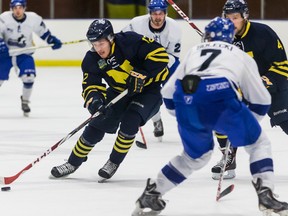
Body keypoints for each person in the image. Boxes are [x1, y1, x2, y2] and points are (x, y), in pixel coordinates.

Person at [131, 17, 288, 216]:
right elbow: (262, 99)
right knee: (259, 144)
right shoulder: (240, 54)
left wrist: (185, 115)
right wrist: (245, 123)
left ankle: (152, 194)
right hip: (221, 97)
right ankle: (266, 194)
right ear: (230, 37)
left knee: (193, 157)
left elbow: (169, 94)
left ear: (206, 36)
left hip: (186, 100)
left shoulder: (193, 52)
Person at [50, 19, 169, 182]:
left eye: (100, 43)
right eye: (94, 44)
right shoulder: (92, 59)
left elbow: (160, 55)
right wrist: (95, 102)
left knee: (130, 121)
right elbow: (90, 85)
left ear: (111, 38)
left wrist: (141, 73)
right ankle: (73, 162)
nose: (97, 48)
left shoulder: (129, 41)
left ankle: (113, 162)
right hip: (119, 90)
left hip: (148, 90)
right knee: (98, 121)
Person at [211, 0, 288, 180]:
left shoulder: (263, 33)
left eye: (235, 18)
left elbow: (282, 65)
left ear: (245, 17)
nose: (231, 22)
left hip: (272, 86)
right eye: (227, 18)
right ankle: (228, 158)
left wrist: (264, 80)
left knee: (286, 121)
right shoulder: (221, 37)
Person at [122, 0, 182, 139]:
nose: (157, 17)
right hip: (145, 64)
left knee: (174, 97)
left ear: (165, 13)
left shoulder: (174, 28)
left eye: (161, 13)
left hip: (168, 63)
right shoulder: (136, 24)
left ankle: (184, 122)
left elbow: (174, 55)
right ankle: (156, 120)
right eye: (154, 13)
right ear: (150, 14)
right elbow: (122, 39)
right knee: (148, 95)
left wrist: (158, 68)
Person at [0, 0, 62, 117]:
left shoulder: (33, 18)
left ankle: (25, 101)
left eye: (20, 7)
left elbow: (43, 32)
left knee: (29, 77)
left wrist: (51, 40)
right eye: (15, 7)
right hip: (6, 54)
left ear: (24, 8)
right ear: (11, 8)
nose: (18, 10)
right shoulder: (3, 18)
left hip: (24, 53)